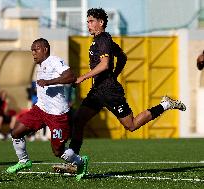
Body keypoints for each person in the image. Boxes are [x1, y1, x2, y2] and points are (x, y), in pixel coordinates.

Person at [53, 8, 186, 173]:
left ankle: (165, 105)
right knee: (79, 120)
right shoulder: (101, 40)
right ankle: (74, 161)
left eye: (91, 21)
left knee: (131, 125)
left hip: (109, 92)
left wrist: (83, 77)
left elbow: (104, 64)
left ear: (101, 23)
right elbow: (122, 57)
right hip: (97, 91)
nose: (88, 25)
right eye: (87, 21)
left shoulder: (103, 39)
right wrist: (114, 74)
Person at [6, 38, 88, 181]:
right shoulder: (41, 65)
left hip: (58, 115)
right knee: (16, 132)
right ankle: (24, 161)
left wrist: (49, 82)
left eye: (36, 49)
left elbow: (70, 76)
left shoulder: (54, 61)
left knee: (58, 152)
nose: (33, 52)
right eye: (32, 50)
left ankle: (80, 162)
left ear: (45, 49)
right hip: (40, 109)